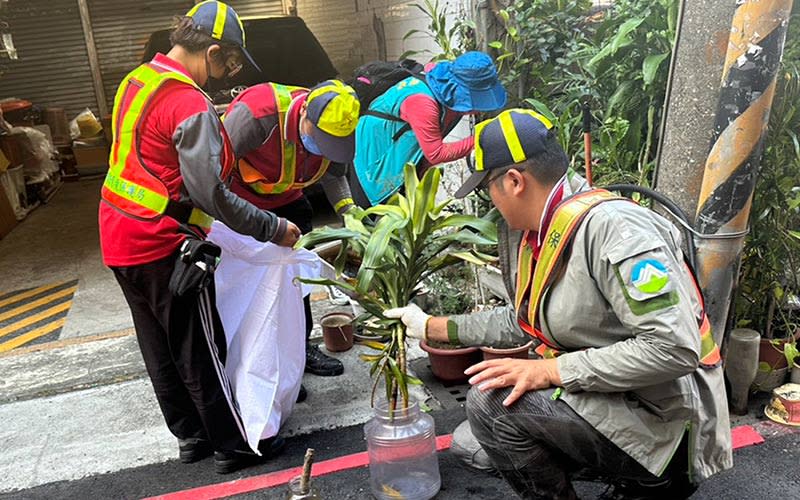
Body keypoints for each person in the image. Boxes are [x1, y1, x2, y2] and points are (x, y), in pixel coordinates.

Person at [386, 109, 733, 498]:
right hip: (619, 399)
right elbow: (528, 319)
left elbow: (674, 348)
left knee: (491, 407)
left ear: (515, 181)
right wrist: (431, 326)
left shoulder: (616, 229)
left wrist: (552, 371)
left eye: (487, 189)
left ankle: (649, 484)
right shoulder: (546, 230)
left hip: (666, 424)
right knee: (476, 443)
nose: (490, 202)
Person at [98, 1, 298, 474]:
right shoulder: (188, 103)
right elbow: (211, 193)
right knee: (199, 345)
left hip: (117, 234)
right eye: (227, 62)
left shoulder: (138, 79)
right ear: (210, 51)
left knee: (158, 344)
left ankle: (190, 437)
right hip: (160, 243)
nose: (227, 73)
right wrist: (273, 227)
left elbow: (145, 161)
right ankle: (234, 444)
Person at [222, 79, 361, 380]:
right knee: (254, 289)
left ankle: (298, 350)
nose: (324, 147)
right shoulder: (257, 115)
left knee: (297, 281)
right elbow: (212, 175)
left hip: (290, 204)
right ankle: (260, 364)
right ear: (305, 114)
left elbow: (333, 175)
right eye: (321, 138)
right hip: (242, 209)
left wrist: (350, 213)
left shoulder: (337, 128)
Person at [350, 51, 506, 207]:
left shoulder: (446, 94)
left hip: (400, 163)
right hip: (373, 168)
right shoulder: (422, 102)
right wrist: (484, 137)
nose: (477, 110)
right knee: (375, 224)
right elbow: (436, 153)